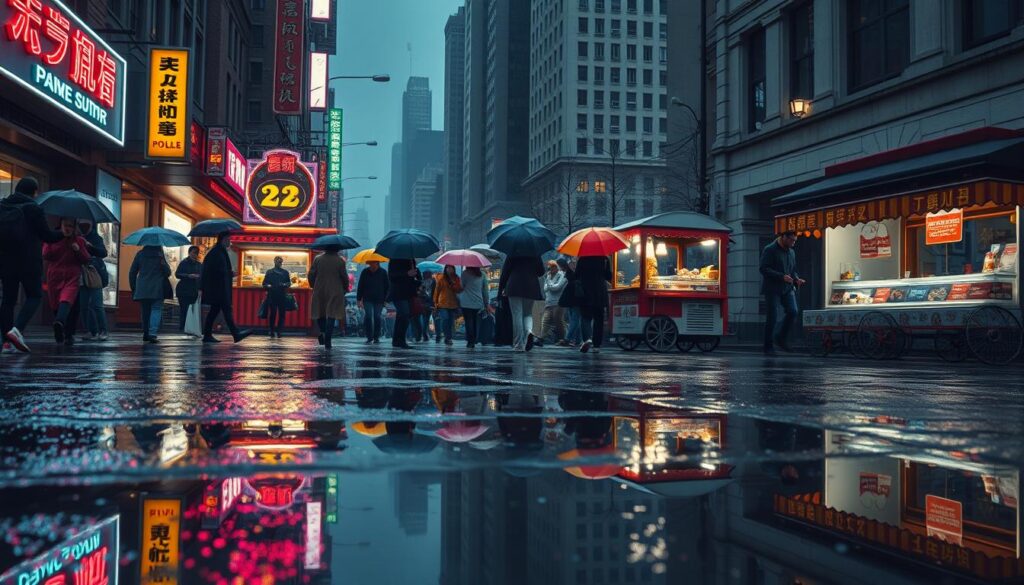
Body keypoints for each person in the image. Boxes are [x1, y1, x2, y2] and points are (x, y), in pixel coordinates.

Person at [1, 177, 63, 353]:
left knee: (7, 300)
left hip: (6, 261)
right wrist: (63, 233)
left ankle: (6, 342)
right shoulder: (33, 208)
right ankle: (17, 330)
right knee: (34, 296)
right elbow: (47, 236)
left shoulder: (3, 206)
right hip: (29, 261)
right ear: (34, 191)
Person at [42, 217, 90, 345]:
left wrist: (77, 250)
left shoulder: (79, 241)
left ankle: (61, 324)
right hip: (54, 276)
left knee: (66, 300)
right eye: (65, 225)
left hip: (71, 277)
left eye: (70, 226)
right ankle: (60, 328)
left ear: (74, 228)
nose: (67, 228)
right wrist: (57, 243)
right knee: (54, 304)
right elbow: (46, 254)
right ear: (61, 226)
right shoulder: (53, 238)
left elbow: (86, 259)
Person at [200, 232, 252, 343]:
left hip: (217, 288)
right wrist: (230, 273)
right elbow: (216, 271)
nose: (230, 241)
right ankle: (235, 333)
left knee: (215, 311)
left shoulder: (217, 251)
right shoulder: (217, 253)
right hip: (218, 288)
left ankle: (208, 335)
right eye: (229, 239)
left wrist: (228, 272)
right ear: (223, 239)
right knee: (226, 310)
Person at [760, 230, 805, 354]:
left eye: (795, 241)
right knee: (772, 317)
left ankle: (780, 338)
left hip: (787, 288)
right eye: (791, 240)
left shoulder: (791, 252)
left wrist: (796, 279)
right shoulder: (770, 249)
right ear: (783, 237)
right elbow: (763, 269)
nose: (793, 243)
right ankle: (768, 346)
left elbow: (792, 269)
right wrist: (781, 276)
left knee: (793, 311)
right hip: (772, 288)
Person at [497, 255, 545, 352]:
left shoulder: (513, 252)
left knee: (517, 314)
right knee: (528, 314)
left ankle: (519, 344)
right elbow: (541, 272)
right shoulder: (535, 253)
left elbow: (505, 272)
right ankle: (528, 332)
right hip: (531, 286)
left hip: (514, 286)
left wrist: (500, 290)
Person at [129, 245, 171, 343]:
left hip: (142, 287)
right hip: (157, 287)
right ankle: (152, 334)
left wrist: (133, 287)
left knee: (145, 310)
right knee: (156, 309)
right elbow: (168, 272)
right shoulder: (160, 255)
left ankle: (145, 333)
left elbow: (132, 272)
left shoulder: (140, 254)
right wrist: (162, 262)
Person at [309, 246, 349, 349]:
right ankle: (328, 339)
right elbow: (344, 276)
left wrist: (313, 285)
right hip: (335, 290)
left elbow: (311, 274)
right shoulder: (340, 261)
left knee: (320, 312)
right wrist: (345, 287)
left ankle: (322, 332)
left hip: (320, 288)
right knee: (332, 314)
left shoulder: (318, 259)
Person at [75, 221, 109, 341]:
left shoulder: (95, 238)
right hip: (81, 273)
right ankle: (91, 330)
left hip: (93, 273)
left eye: (85, 225)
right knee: (84, 305)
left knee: (96, 304)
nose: (82, 227)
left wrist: (90, 246)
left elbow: (103, 253)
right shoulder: (77, 238)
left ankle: (103, 330)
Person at [576, 255, 612, 353]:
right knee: (599, 319)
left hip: (585, 292)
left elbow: (577, 275)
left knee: (585, 317)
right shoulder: (604, 259)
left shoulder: (582, 259)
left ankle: (587, 339)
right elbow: (608, 276)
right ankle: (596, 346)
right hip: (599, 292)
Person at [387, 258, 420, 349]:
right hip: (398, 292)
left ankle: (397, 340)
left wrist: (417, 275)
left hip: (409, 292)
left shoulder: (411, 260)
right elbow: (392, 276)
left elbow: (415, 276)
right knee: (404, 314)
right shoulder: (395, 260)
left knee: (402, 316)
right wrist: (407, 273)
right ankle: (400, 340)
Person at [357, 260, 389, 344]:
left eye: (372, 263)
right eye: (369, 263)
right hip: (367, 298)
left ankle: (376, 337)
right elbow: (360, 286)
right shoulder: (365, 272)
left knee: (377, 316)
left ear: (377, 263)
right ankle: (369, 336)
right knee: (368, 316)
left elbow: (387, 287)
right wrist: (359, 299)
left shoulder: (383, 272)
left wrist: (386, 299)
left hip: (379, 299)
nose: (370, 264)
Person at [458, 266, 489, 349]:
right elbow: (485, 290)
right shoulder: (482, 274)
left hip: (466, 302)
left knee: (469, 322)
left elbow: (461, 287)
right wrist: (486, 303)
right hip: (478, 302)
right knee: (476, 322)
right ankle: (474, 339)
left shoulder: (465, 273)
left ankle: (470, 341)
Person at [432, 265, 463, 346]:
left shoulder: (456, 278)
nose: (449, 270)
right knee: (445, 319)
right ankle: (447, 337)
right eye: (447, 268)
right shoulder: (441, 278)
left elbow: (459, 290)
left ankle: (449, 337)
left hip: (453, 304)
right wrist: (435, 303)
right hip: (442, 303)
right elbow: (437, 291)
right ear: (445, 269)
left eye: (451, 268)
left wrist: (453, 285)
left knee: (450, 321)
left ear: (454, 269)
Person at [262, 255, 291, 338]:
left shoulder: (285, 272)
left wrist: (285, 284)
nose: (279, 263)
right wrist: (268, 286)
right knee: (273, 314)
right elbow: (264, 284)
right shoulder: (270, 272)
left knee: (281, 314)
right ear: (274, 262)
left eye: (280, 261)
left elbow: (289, 283)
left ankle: (278, 331)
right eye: (278, 261)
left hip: (281, 295)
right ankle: (272, 330)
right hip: (273, 295)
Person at [175, 246, 202, 333]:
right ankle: (182, 327)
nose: (195, 255)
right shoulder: (184, 263)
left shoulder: (199, 265)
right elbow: (177, 274)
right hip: (183, 290)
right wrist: (188, 275)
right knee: (184, 309)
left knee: (193, 310)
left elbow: (202, 276)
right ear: (189, 252)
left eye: (197, 253)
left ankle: (191, 327)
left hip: (194, 290)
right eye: (194, 252)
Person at [541, 260, 567, 344]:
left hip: (558, 302)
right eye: (549, 267)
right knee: (545, 321)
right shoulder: (548, 276)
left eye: (553, 267)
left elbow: (556, 288)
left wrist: (549, 283)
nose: (550, 269)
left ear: (557, 267)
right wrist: (549, 281)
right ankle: (541, 338)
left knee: (558, 320)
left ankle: (563, 339)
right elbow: (545, 289)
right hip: (549, 302)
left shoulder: (562, 275)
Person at [556, 258, 581, 347]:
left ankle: (568, 338)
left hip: (575, 295)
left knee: (574, 318)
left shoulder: (572, 268)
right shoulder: (571, 268)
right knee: (574, 318)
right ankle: (578, 340)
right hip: (573, 296)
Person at [417, 269, 437, 342]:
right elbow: (435, 292)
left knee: (424, 319)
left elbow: (419, 293)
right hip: (431, 303)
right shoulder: (434, 281)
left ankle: (424, 333)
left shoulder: (421, 282)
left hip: (422, 303)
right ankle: (426, 333)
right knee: (428, 319)